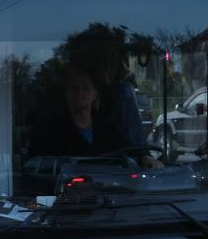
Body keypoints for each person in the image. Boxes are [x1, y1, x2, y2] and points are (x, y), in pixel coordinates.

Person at [30, 64, 158, 167]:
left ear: (94, 95)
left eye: (86, 89)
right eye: (74, 89)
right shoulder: (51, 131)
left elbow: (130, 149)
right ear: (66, 94)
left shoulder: (108, 128)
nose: (80, 93)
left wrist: (144, 156)